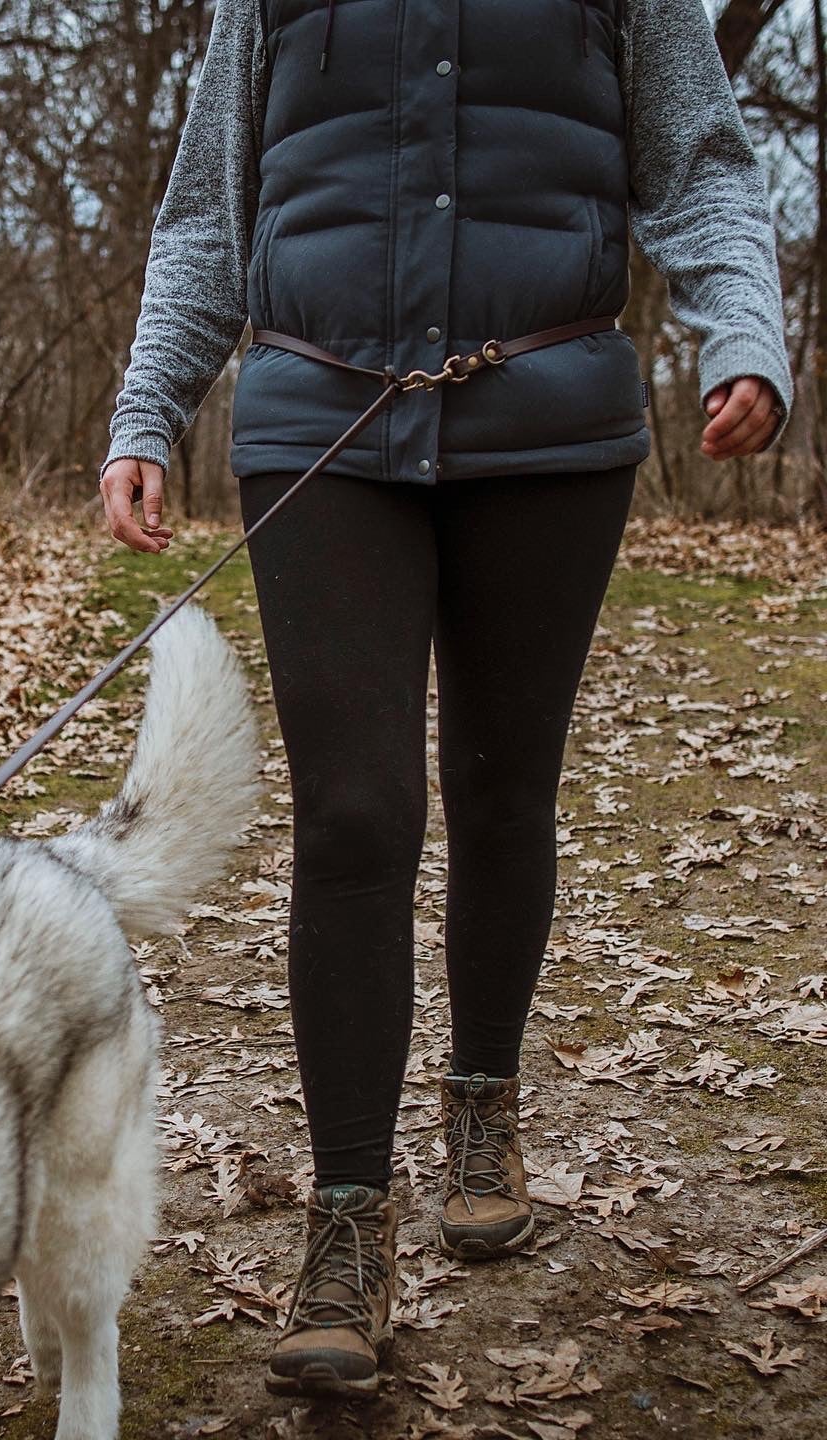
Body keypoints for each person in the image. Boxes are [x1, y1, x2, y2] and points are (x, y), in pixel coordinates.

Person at [97, 0, 791, 1402]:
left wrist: (746, 332)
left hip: (551, 426)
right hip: (320, 421)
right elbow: (207, 210)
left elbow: (702, 163)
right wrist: (149, 406)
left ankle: (482, 1102)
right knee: (354, 815)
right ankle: (348, 1225)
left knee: (498, 779)